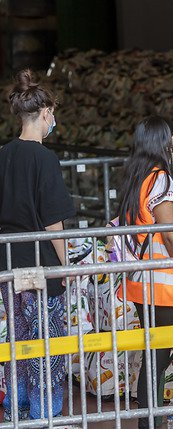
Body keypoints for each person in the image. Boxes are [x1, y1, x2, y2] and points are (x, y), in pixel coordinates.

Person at [117, 116, 173, 429]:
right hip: (166, 287)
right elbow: (170, 236)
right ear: (161, 142)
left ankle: (149, 424)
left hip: (143, 286)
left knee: (155, 355)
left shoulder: (134, 176)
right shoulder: (159, 179)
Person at [0, 69, 75, 422]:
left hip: (8, 260)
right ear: (46, 113)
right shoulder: (45, 159)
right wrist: (66, 265)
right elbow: (53, 222)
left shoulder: (3, 156)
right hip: (41, 264)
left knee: (17, 336)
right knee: (47, 340)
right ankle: (46, 412)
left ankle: (17, 405)